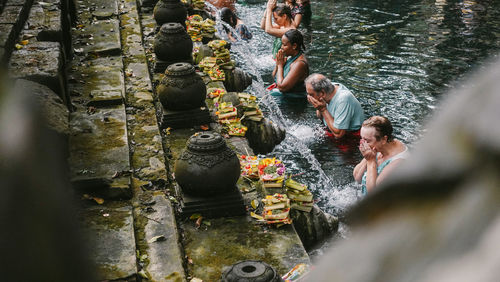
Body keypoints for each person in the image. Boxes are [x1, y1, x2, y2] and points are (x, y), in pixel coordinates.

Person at [353, 116, 409, 194]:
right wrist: (367, 158)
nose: (363, 144)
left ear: (383, 139)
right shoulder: (377, 147)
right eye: (362, 139)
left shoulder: (399, 161)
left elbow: (373, 193)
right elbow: (357, 177)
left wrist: (371, 161)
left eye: (367, 141)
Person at [305, 73, 365, 138]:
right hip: (331, 128)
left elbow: (339, 134)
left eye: (311, 95)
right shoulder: (328, 88)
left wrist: (323, 110)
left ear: (322, 93)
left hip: (350, 136)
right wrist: (319, 107)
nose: (309, 97)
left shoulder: (343, 99)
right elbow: (321, 118)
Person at [268, 29, 309, 97]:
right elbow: (273, 76)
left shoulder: (299, 64)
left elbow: (282, 87)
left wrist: (280, 66)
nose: (281, 47)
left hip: (292, 102)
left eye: (284, 45)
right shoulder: (290, 57)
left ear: (294, 46)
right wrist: (278, 64)